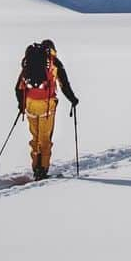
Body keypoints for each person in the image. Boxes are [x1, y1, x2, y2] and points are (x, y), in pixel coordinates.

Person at [15, 39, 78, 179]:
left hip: (30, 104)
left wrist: (22, 105)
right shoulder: (54, 62)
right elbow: (64, 85)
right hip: (46, 105)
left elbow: (18, 88)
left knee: (35, 137)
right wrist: (73, 100)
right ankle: (42, 170)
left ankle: (35, 167)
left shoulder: (29, 62)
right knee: (45, 138)